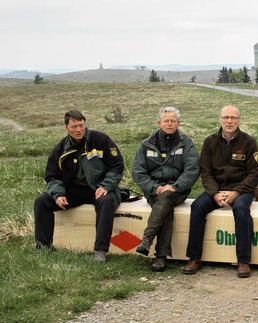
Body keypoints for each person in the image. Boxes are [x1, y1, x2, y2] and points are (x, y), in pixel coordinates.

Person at [34, 110, 124, 264]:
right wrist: (58, 194)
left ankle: (100, 251)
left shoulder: (101, 140)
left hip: (99, 187)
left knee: (105, 202)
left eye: (81, 125)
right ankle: (43, 247)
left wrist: (106, 186)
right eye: (74, 126)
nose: (78, 130)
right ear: (66, 127)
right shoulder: (61, 148)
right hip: (74, 189)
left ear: (85, 124)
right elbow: (52, 175)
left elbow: (117, 166)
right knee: (41, 201)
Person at [183, 105, 258, 278]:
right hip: (216, 189)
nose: (229, 121)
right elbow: (206, 172)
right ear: (220, 119)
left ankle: (243, 261)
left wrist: (236, 192)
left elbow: (255, 173)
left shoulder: (249, 142)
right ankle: (194, 258)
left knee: (241, 210)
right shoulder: (210, 142)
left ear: (238, 121)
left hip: (241, 191)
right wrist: (214, 193)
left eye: (233, 118)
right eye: (226, 117)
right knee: (197, 207)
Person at [132, 106, 200, 272]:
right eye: (166, 121)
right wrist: (155, 188)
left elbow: (192, 170)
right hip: (154, 191)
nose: (169, 124)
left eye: (173, 121)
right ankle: (160, 256)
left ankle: (148, 239)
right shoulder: (146, 145)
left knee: (167, 197)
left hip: (178, 191)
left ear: (178, 123)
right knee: (165, 205)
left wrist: (174, 186)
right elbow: (138, 172)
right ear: (159, 123)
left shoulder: (187, 144)